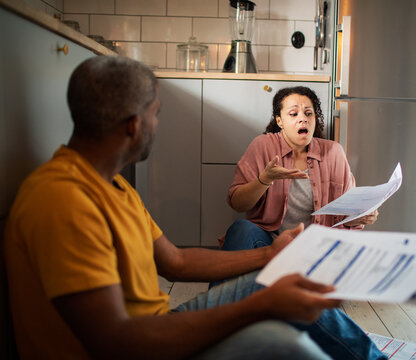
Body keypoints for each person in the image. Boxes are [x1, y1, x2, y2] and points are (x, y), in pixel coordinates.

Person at [2, 56, 386, 360]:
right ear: (134, 126)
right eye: (156, 114)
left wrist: (271, 254)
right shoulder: (62, 200)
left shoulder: (113, 186)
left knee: (288, 294)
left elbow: (176, 264)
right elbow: (114, 342)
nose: (157, 123)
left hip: (156, 325)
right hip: (143, 343)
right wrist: (258, 306)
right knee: (284, 343)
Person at [219, 86, 379, 252]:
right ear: (279, 121)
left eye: (308, 113)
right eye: (293, 114)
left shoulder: (334, 152)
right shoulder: (263, 145)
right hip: (270, 244)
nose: (303, 119)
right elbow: (237, 203)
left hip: (318, 246)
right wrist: (265, 179)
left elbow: (346, 215)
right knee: (242, 229)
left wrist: (358, 218)